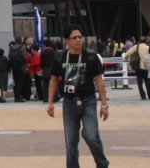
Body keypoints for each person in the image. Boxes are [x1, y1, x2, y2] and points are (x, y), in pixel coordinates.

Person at [47, 24, 110, 168]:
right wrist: (50, 102)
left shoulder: (91, 56)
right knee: (71, 143)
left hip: (88, 101)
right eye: (74, 38)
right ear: (66, 41)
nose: (78, 40)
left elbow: (99, 81)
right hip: (69, 103)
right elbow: (54, 80)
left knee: (91, 136)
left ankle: (102, 164)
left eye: (80, 37)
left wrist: (104, 105)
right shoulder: (60, 57)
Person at [8, 37, 28, 102]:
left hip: (13, 67)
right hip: (21, 66)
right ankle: (18, 97)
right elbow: (24, 57)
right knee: (20, 82)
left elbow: (9, 56)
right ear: (21, 41)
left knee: (15, 82)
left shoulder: (11, 47)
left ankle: (15, 96)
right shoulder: (22, 47)